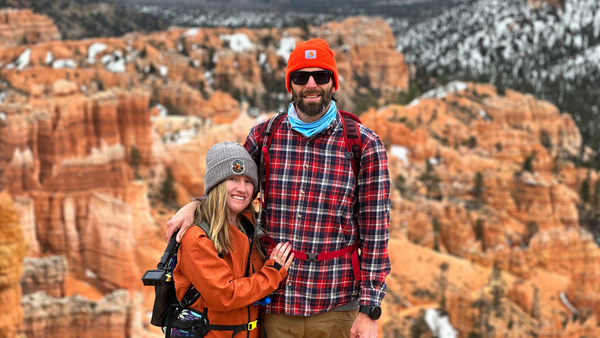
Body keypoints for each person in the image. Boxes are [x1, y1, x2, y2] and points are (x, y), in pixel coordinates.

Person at [167, 38, 391, 338]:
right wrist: (197, 205)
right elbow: (233, 187)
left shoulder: (363, 144)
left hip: (337, 308)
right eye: (301, 77)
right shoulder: (264, 135)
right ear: (290, 85)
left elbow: (376, 233)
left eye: (320, 76)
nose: (311, 84)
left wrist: (369, 311)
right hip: (275, 308)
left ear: (333, 83)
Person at [172, 141, 294, 338]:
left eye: (248, 181)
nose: (242, 188)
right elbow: (224, 296)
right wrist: (273, 273)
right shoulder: (197, 237)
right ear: (216, 183)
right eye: (233, 178)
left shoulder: (248, 226)